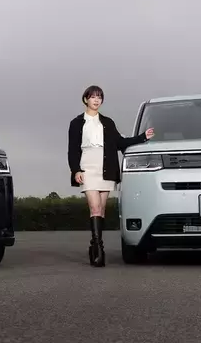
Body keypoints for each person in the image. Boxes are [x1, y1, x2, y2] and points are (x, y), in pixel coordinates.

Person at [67, 85, 155, 267]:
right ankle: (98, 248)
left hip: (106, 168)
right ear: (86, 99)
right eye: (93, 97)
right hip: (87, 167)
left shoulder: (107, 122)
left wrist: (142, 137)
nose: (96, 100)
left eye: (99, 97)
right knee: (94, 208)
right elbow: (72, 150)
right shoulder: (76, 123)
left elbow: (120, 142)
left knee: (101, 210)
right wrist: (76, 170)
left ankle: (94, 245)